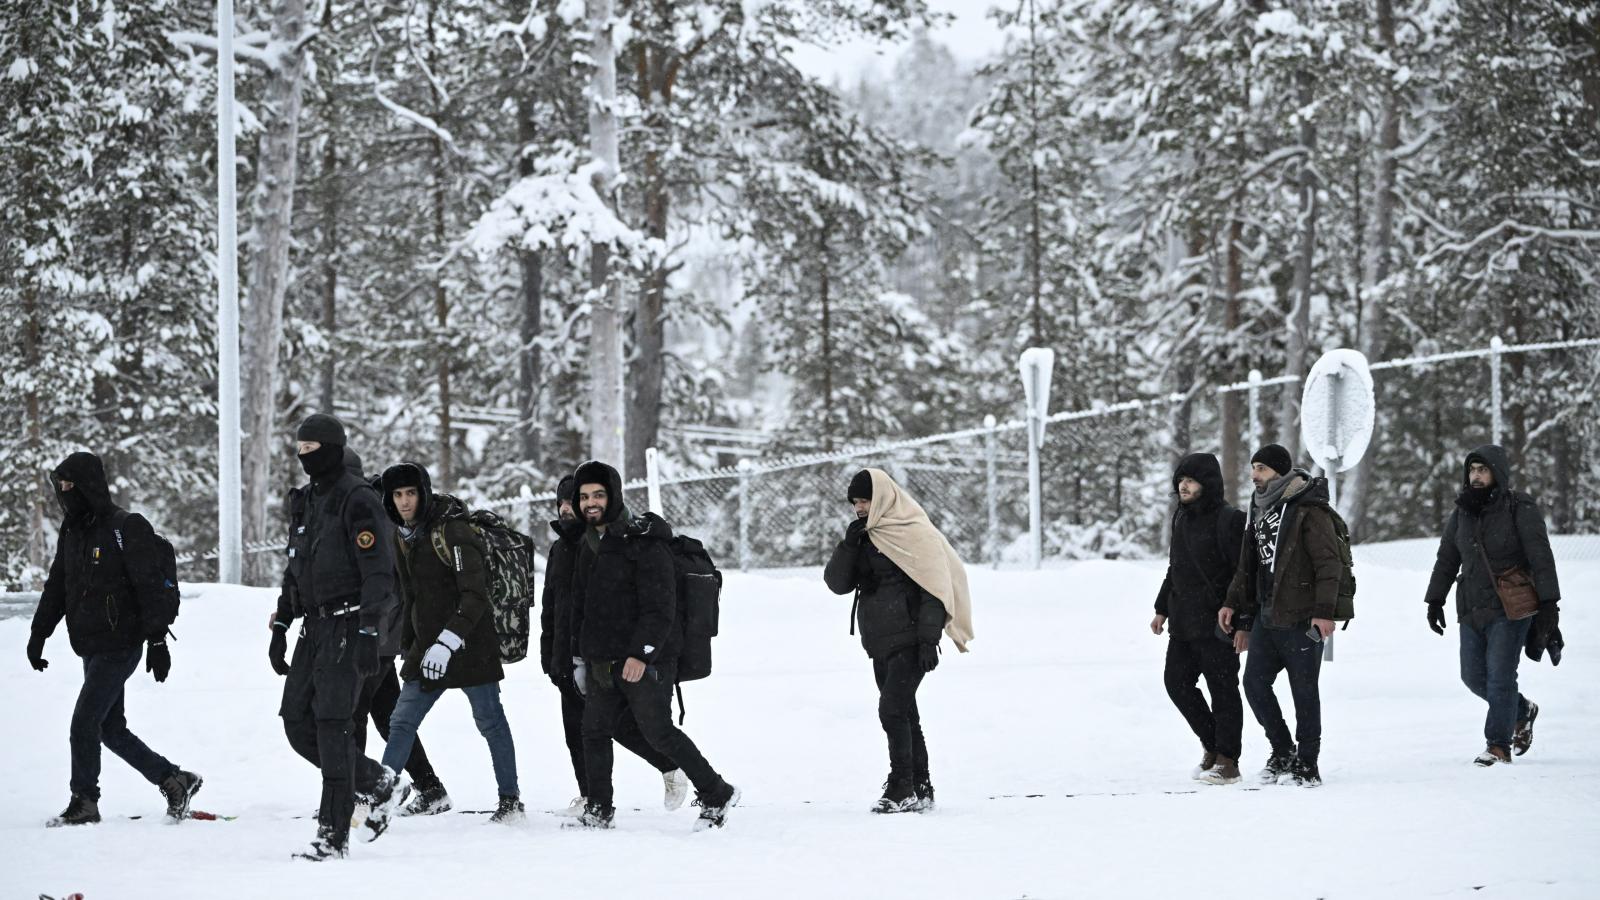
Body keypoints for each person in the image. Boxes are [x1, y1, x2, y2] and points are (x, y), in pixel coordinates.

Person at [27, 451, 201, 827]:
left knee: (84, 722)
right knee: (109, 727)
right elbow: (58, 585)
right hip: (91, 644)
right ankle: (175, 779)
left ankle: (85, 801)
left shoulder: (126, 526)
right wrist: (39, 633)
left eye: (71, 485)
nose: (65, 492)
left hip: (122, 643)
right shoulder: (72, 529)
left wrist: (157, 642)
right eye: (61, 486)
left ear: (89, 485)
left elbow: (150, 588)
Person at [273, 456, 451, 817]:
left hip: (372, 632)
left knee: (348, 714)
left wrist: (375, 629)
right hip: (375, 632)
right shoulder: (341, 508)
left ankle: (359, 794)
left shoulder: (365, 508)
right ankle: (428, 788)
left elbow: (381, 579)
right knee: (384, 714)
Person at [566, 460, 738, 831]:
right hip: (601, 660)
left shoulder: (643, 541)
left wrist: (640, 653)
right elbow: (581, 607)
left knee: (658, 731)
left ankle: (716, 792)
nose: (590, 502)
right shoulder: (587, 543)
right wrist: (580, 657)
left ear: (613, 496)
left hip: (646, 660)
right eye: (584, 497)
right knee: (594, 731)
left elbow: (661, 608)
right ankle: (599, 808)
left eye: (598, 495)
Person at [271, 414, 408, 860]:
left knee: (333, 727)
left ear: (332, 448)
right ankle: (376, 781)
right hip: (314, 628)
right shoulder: (307, 500)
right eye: (300, 449)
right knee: (297, 722)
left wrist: (371, 629)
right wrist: (281, 623)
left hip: (350, 626)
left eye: (312, 448)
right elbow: (298, 568)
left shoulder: (358, 499)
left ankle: (332, 837)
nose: (304, 456)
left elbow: (379, 573)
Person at [377, 462, 523, 823]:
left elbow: (474, 596)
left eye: (411, 493)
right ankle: (378, 803)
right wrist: (409, 646)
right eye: (397, 495)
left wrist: (448, 642)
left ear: (423, 492)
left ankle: (511, 801)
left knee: (490, 722)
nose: (405, 502)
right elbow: (411, 595)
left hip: (471, 645)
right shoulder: (403, 535)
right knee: (401, 721)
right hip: (426, 648)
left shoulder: (453, 530)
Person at [824, 468, 975, 814]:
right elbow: (837, 583)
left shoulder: (914, 532)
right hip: (879, 641)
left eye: (865, 500)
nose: (860, 507)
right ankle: (920, 787)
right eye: (855, 502)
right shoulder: (865, 536)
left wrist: (928, 638)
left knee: (891, 710)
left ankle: (901, 786)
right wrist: (850, 544)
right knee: (906, 714)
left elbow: (934, 587)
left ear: (883, 498)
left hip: (910, 640)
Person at [539, 474, 686, 816]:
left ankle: (668, 768)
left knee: (617, 726)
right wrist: (551, 655)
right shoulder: (560, 548)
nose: (565, 508)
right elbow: (553, 608)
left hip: (597, 655)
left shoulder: (600, 545)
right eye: (561, 502)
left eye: (569, 501)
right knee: (576, 732)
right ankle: (589, 796)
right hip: (566, 657)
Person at [1424, 445, 1561, 766]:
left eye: (1482, 469)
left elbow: (1541, 556)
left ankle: (1498, 746)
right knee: (1472, 676)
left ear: (1496, 472)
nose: (1475, 475)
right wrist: (1435, 599)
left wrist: (1549, 604)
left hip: (1510, 607)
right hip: (1472, 606)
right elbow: (1447, 558)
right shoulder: (1462, 512)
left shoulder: (1519, 507)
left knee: (1500, 676)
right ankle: (1522, 710)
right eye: (1471, 469)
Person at [1219, 443, 1342, 788]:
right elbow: (1248, 565)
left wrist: (1324, 612)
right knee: (1255, 685)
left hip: (1303, 619)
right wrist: (1233, 603)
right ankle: (1283, 750)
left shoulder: (1307, 508)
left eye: (1261, 468)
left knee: (1304, 691)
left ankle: (1308, 764)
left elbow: (1328, 564)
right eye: (1253, 467)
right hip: (1266, 616)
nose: (1254, 475)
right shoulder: (1257, 509)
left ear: (1279, 472)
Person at [1151, 453, 1247, 785]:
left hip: (1218, 623)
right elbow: (1175, 568)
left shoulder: (1230, 520)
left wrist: (1243, 620)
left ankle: (1228, 760)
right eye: (1180, 481)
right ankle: (1212, 744)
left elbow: (1243, 574)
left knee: (1223, 690)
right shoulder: (1181, 518)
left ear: (1207, 483)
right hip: (1182, 622)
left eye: (1190, 480)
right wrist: (1161, 609)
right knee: (1176, 683)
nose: (1183, 486)